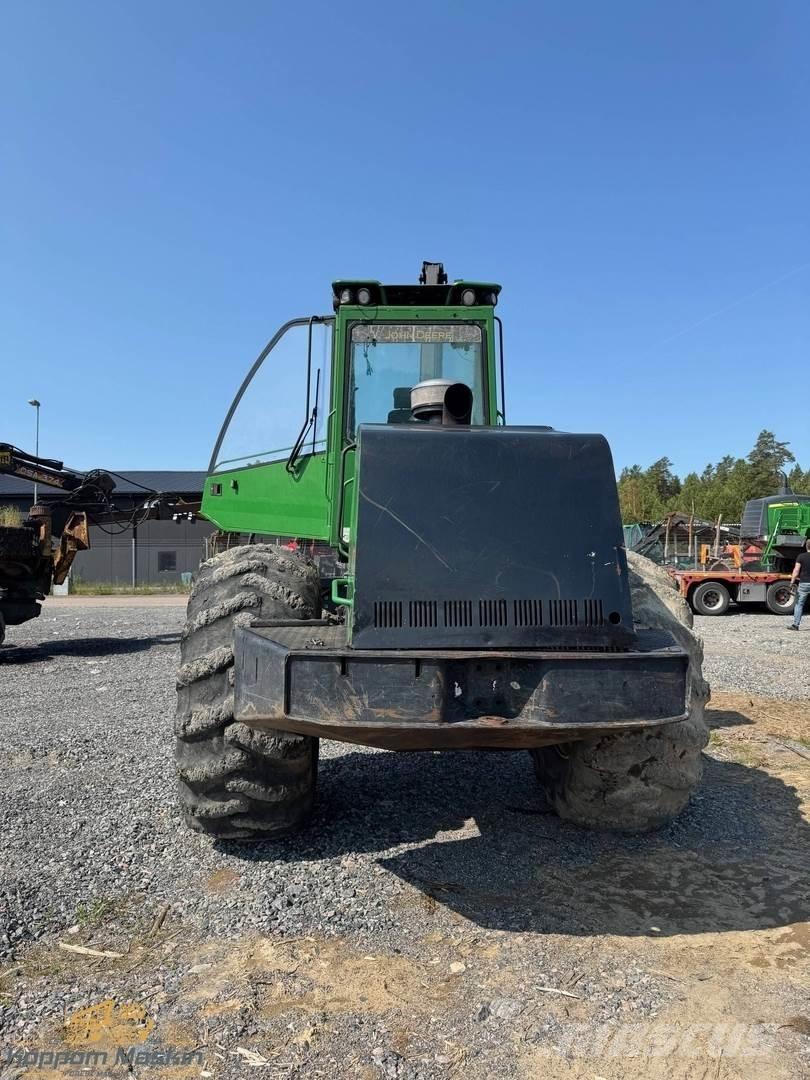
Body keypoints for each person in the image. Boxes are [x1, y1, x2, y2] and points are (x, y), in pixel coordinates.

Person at [789, 537, 810, 630]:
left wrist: (792, 582)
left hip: (804, 583)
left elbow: (796, 570)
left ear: (806, 546)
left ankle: (796, 625)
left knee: (799, 604)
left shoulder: (801, 556)